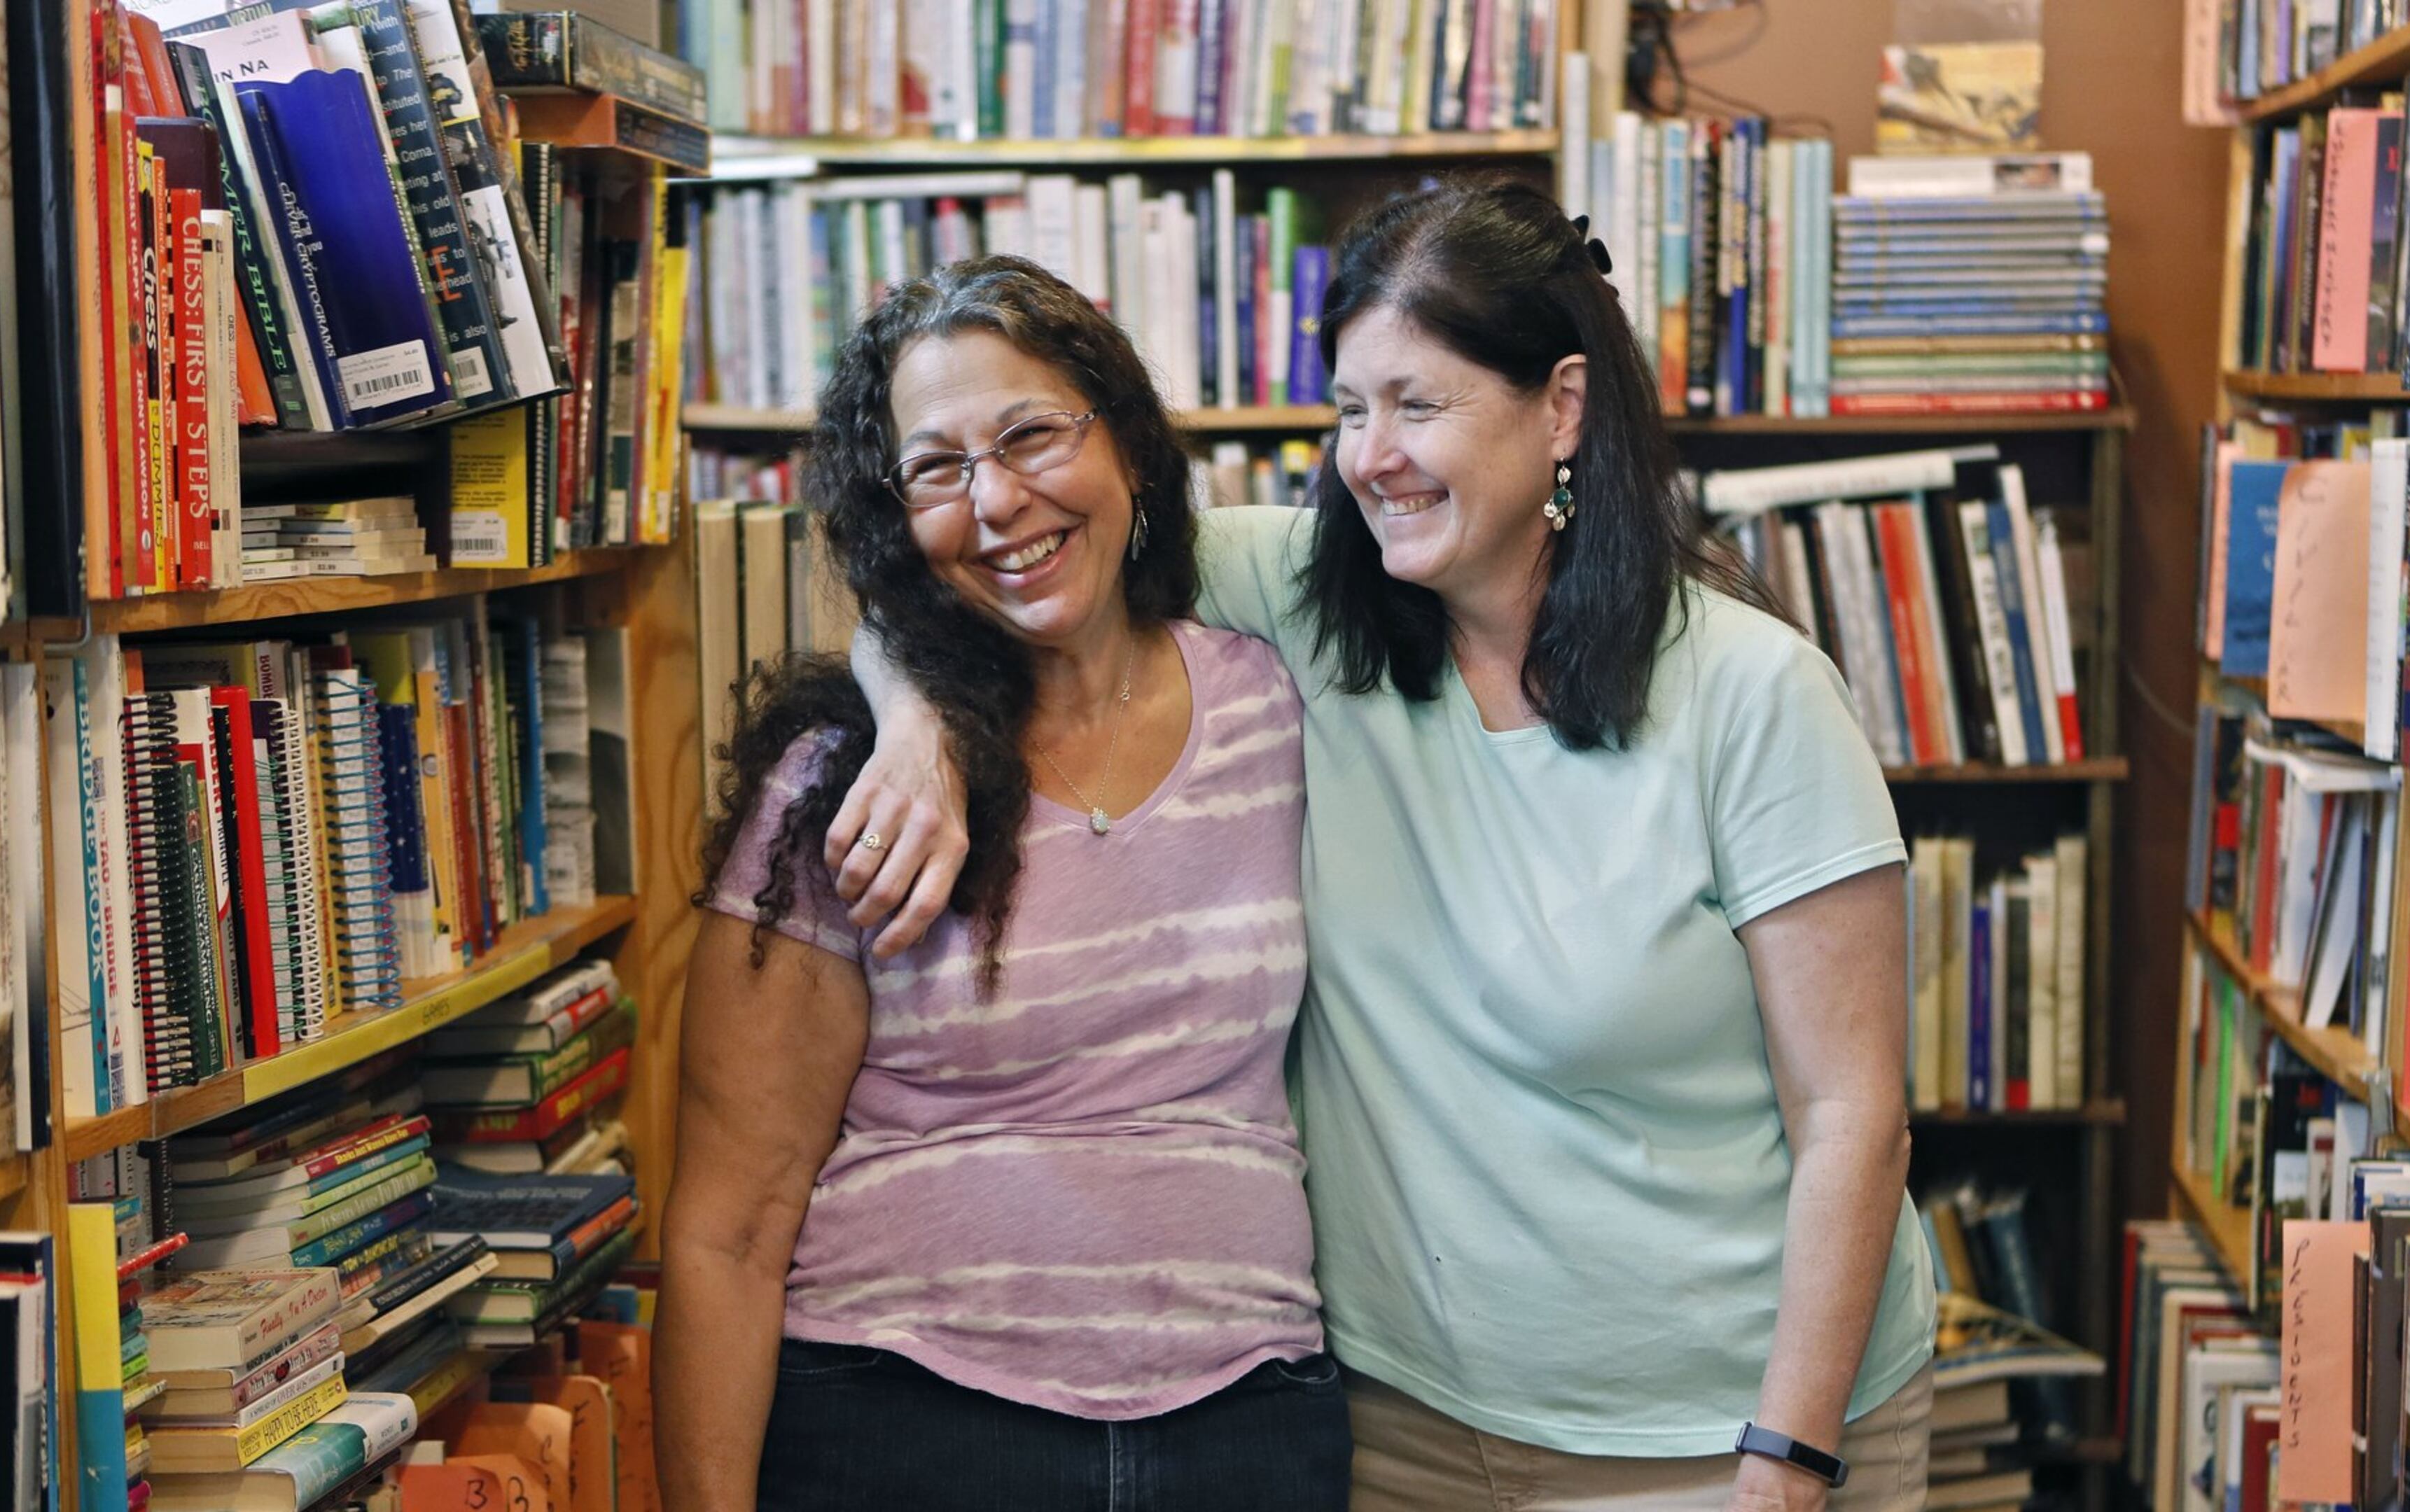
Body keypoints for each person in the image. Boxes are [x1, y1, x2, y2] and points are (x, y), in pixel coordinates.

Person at [830, 178, 1939, 1512]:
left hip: (1729, 1429)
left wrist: (1789, 1458)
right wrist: (910, 721)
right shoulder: (1300, 604)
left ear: (1563, 409)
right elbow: (993, 558)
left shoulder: (1754, 694)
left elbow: (1855, 1117)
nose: (1372, 457)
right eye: (1351, 411)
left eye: (1421, 406)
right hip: (1403, 1423)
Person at [655, 256, 1352, 1512]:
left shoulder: (1277, 699)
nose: (997, 501)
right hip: (905, 1420)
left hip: (1251, 1421)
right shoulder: (845, 792)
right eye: (936, 469)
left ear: (1127, 444)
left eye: (1032, 434)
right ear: (896, 523)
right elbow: (730, 1229)